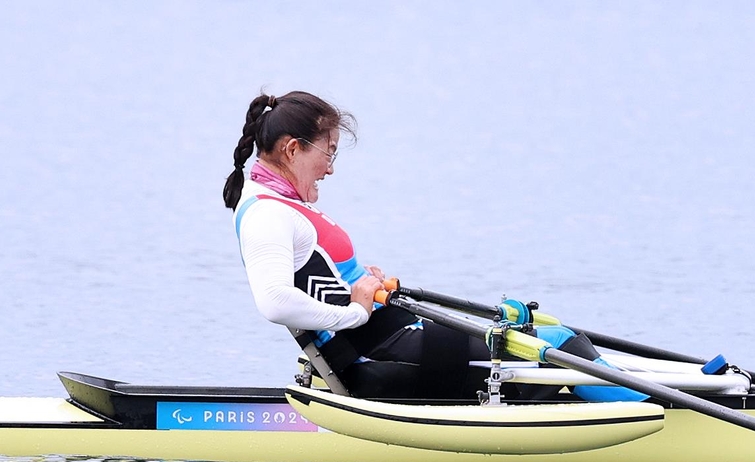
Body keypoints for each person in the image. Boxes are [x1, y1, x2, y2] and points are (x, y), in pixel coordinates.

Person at [224, 90, 644, 401]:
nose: (331, 169)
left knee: (549, 342)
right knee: (559, 346)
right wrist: (353, 311)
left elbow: (316, 278)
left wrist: (357, 285)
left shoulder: (279, 203)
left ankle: (643, 400)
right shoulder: (267, 214)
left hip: (392, 339)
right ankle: (657, 412)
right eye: (328, 153)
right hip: (381, 357)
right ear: (292, 148)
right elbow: (275, 302)